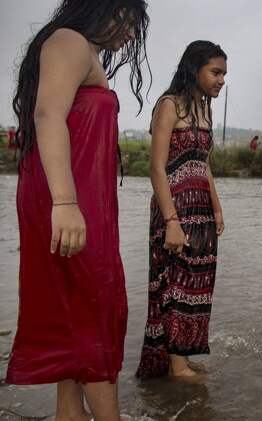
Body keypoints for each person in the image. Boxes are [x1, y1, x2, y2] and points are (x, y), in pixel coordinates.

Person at [5, 1, 150, 419]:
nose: (129, 35)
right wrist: (66, 204)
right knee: (93, 307)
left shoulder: (77, 46)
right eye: (128, 21)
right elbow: (48, 114)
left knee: (73, 306)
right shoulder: (70, 41)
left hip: (75, 196)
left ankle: (70, 413)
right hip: (68, 196)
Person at [136, 40, 226, 380]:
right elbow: (156, 167)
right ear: (194, 69)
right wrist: (172, 220)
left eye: (224, 74)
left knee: (198, 284)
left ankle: (182, 356)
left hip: (201, 210)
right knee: (174, 282)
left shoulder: (205, 109)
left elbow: (204, 165)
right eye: (215, 72)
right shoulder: (169, 105)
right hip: (173, 209)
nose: (221, 80)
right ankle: (175, 366)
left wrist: (216, 207)